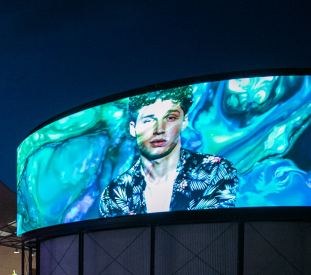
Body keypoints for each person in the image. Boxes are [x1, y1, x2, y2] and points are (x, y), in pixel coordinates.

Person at [99, 85, 238, 218]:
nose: (159, 129)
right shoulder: (116, 192)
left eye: (170, 118)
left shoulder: (215, 172)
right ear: (132, 128)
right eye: (148, 120)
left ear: (184, 122)